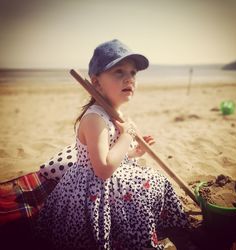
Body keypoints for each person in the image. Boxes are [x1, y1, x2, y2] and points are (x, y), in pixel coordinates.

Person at [35, 39, 191, 250]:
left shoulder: (114, 113)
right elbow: (103, 169)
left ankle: (167, 232)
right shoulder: (94, 118)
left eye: (133, 73)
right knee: (146, 188)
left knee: (157, 182)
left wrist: (134, 152)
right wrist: (127, 135)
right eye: (119, 72)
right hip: (90, 189)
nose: (129, 78)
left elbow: (114, 153)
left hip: (109, 179)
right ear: (96, 82)